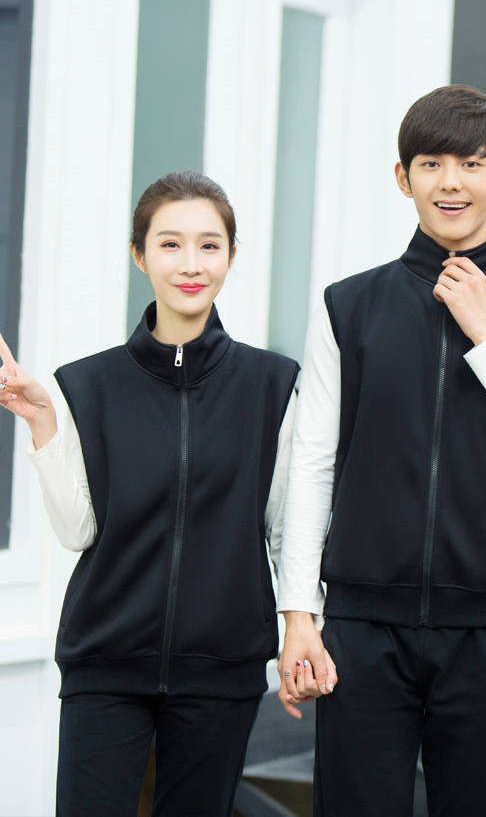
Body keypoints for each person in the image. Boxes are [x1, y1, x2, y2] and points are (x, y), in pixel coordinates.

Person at [276, 84, 486, 816]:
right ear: (403, 177)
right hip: (362, 631)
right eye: (431, 164)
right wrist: (298, 616)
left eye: (471, 164)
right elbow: (313, 464)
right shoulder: (347, 306)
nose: (451, 183)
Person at [0, 171, 299, 817]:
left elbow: (282, 528)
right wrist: (43, 422)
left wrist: (303, 624)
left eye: (209, 245)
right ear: (139, 255)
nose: (190, 264)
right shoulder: (89, 385)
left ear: (231, 256)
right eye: (169, 244)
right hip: (104, 661)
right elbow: (78, 530)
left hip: (222, 665)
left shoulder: (271, 385)